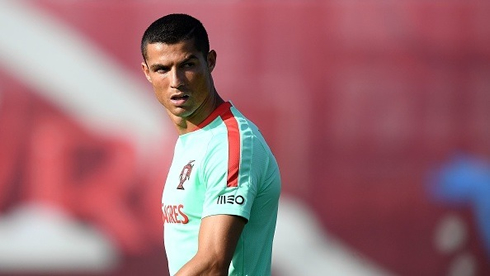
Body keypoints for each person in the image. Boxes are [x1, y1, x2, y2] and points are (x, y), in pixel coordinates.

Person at [140, 13, 281, 276]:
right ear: (147, 73)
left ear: (211, 61)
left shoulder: (230, 142)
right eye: (162, 69)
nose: (176, 81)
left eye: (188, 65)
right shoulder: (193, 139)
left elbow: (213, 265)